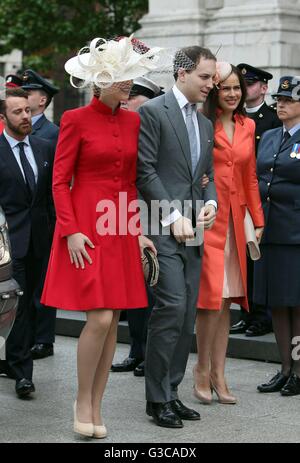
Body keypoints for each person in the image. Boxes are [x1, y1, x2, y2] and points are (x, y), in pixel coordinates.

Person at [41, 35, 163, 438]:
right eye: (118, 76)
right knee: (101, 317)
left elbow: (131, 182)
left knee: (113, 323)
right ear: (98, 80)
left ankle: (96, 405)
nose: (127, 82)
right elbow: (59, 182)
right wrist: (70, 230)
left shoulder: (134, 120)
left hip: (121, 226)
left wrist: (139, 232)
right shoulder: (74, 120)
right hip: (86, 228)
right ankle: (81, 399)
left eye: (129, 74)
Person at [137, 46, 218, 429]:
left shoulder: (205, 124)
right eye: (204, 77)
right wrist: (171, 216)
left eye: (212, 77)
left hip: (195, 233)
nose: (211, 84)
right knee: (170, 309)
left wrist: (211, 203)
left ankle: (171, 392)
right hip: (161, 230)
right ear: (181, 73)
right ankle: (157, 400)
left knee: (186, 317)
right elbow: (146, 171)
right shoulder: (153, 112)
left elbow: (206, 176)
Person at [193, 63, 264, 405]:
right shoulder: (201, 124)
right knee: (210, 301)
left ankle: (220, 374)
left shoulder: (248, 125)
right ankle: (201, 371)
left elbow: (250, 176)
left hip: (237, 223)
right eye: (227, 88)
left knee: (225, 303)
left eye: (238, 88)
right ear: (215, 93)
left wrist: (258, 219)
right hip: (208, 221)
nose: (234, 94)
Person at [0, 88, 55, 398]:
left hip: (40, 241)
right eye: (17, 112)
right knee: (17, 304)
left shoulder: (44, 146)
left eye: (27, 111)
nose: (25, 116)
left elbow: (50, 197)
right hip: (8, 245)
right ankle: (23, 373)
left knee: (32, 305)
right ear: (3, 117)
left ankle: (11, 359)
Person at [111, 76, 162, 377]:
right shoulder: (123, 125)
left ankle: (149, 354)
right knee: (130, 286)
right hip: (121, 211)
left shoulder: (152, 125)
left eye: (133, 98)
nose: (128, 104)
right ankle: (135, 350)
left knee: (151, 284)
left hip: (152, 211)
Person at [255, 76, 300, 396]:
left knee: (297, 304)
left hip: (296, 232)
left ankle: (299, 368)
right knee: (278, 304)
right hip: (269, 229)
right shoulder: (270, 136)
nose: (281, 104)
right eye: (279, 100)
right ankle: (284, 367)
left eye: (288, 100)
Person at [230, 63, 282, 337]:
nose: (243, 89)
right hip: (238, 195)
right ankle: (247, 313)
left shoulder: (272, 119)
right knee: (242, 258)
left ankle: (263, 315)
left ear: (263, 88)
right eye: (241, 84)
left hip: (262, 195)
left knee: (259, 258)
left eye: (248, 84)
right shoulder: (234, 119)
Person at [21, 70, 60, 360]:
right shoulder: (16, 130)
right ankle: (27, 336)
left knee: (45, 282)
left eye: (29, 93)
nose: (24, 97)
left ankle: (44, 339)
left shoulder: (52, 133)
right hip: (21, 222)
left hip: (46, 220)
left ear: (42, 99)